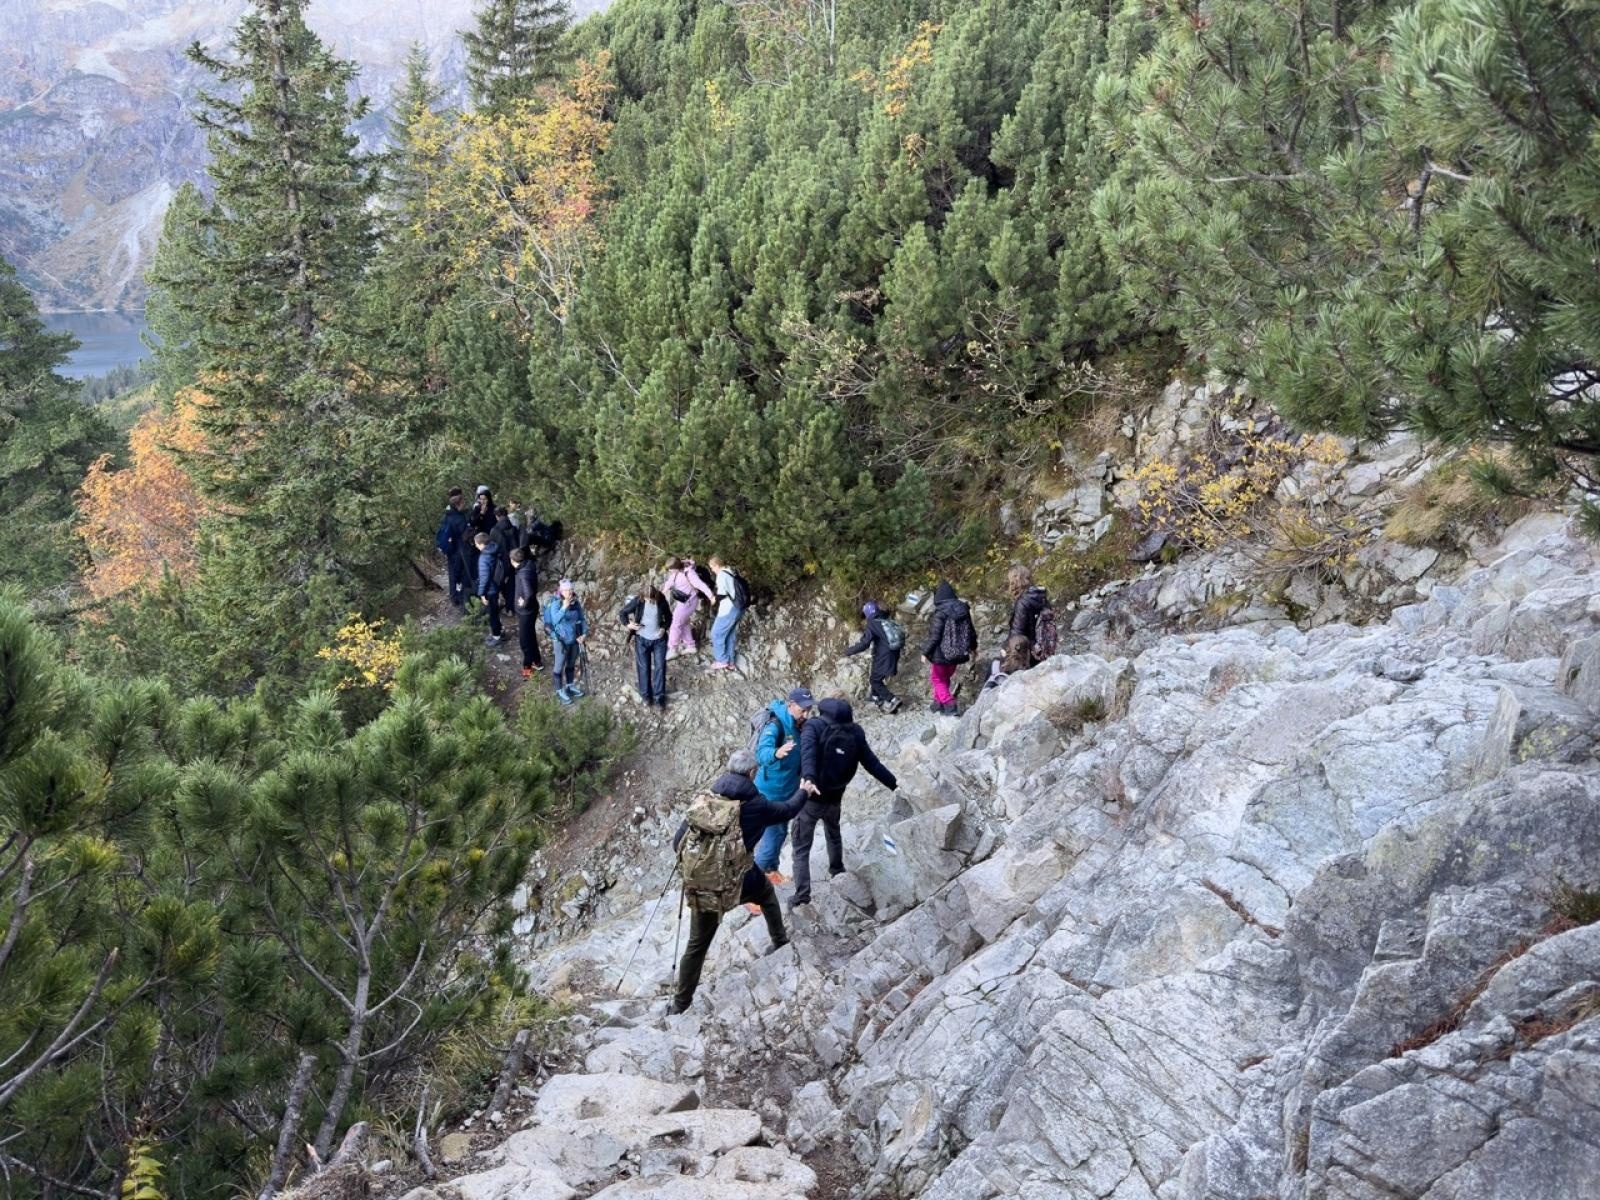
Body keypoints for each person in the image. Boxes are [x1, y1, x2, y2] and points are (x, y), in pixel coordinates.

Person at [670, 750, 808, 1014]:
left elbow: (678, 842)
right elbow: (788, 810)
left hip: (704, 884)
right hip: (740, 878)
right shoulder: (756, 805)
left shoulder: (707, 799)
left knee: (697, 945)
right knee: (767, 894)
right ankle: (779, 941)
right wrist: (804, 790)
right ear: (751, 773)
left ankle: (680, 1005)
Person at [791, 697, 897, 907]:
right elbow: (872, 764)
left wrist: (809, 779)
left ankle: (802, 895)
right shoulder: (855, 732)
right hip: (836, 794)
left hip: (812, 797)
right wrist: (895, 784)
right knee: (833, 832)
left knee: (801, 846)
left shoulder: (814, 726)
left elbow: (808, 754)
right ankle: (837, 870)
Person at [752, 687, 815, 882]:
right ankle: (755, 888)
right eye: (802, 710)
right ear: (791, 705)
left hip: (787, 790)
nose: (805, 714)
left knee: (779, 833)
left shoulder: (799, 724)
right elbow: (760, 754)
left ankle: (771, 871)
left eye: (808, 710)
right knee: (772, 837)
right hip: (771, 792)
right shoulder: (775, 725)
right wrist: (775, 753)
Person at [921, 581, 974, 715]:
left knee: (937, 679)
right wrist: (974, 647)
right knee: (945, 678)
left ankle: (950, 704)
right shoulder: (963, 610)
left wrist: (925, 652)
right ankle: (938, 703)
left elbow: (935, 636)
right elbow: (971, 631)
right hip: (958, 652)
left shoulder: (940, 613)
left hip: (941, 654)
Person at [844, 600, 902, 713]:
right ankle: (875, 696)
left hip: (883, 656)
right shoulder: (885, 619)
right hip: (893, 653)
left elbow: (864, 643)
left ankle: (893, 699)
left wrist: (849, 651)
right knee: (875, 676)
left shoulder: (872, 624)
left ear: (867, 613)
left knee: (875, 681)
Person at [619, 584, 670, 710]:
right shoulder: (638, 600)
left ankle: (659, 698)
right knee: (643, 668)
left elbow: (669, 617)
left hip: (659, 640)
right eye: (647, 599)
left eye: (651, 599)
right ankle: (646, 696)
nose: (649, 601)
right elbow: (623, 613)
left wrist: (663, 628)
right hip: (642, 639)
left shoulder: (662, 601)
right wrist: (628, 625)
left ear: (655, 596)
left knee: (660, 667)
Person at [542, 579, 589, 703]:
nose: (568, 592)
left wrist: (584, 633)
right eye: (566, 590)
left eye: (570, 589)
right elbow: (554, 620)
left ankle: (570, 686)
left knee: (571, 663)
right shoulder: (555, 603)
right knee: (559, 664)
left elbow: (582, 619)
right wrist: (563, 608)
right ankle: (559, 690)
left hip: (574, 638)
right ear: (561, 591)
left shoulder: (575, 603)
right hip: (560, 640)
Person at [662, 556, 717, 660]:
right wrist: (662, 591)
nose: (669, 571)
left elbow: (701, 585)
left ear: (676, 568)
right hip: (683, 601)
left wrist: (711, 596)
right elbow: (670, 581)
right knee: (684, 623)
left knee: (675, 624)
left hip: (689, 602)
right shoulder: (676, 572)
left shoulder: (689, 573)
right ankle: (690, 645)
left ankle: (672, 649)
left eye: (670, 569)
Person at [1008, 564, 1052, 665]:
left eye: (1011, 581)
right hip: (1043, 649)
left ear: (1016, 581)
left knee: (994, 666)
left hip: (1027, 653)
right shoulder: (1041, 596)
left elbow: (1017, 633)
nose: (1010, 584)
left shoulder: (1022, 602)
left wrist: (1005, 650)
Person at [707, 555, 746, 672]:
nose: (712, 570)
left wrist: (714, 599)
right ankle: (730, 662)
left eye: (712, 567)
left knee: (716, 633)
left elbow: (722, 593)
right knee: (729, 634)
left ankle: (722, 660)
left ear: (717, 565)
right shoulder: (731, 571)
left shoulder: (721, 575)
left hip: (728, 609)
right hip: (738, 608)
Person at [511, 546, 544, 678]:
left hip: (526, 612)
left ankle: (527, 667)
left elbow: (529, 593)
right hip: (532, 609)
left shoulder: (523, 573)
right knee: (530, 635)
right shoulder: (528, 566)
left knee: (525, 640)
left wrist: (523, 603)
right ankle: (537, 661)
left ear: (513, 561)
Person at [435, 487, 470, 608]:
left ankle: (454, 596)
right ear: (459, 501)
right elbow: (464, 534)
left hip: (451, 550)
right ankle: (459, 597)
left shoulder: (448, 514)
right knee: (459, 573)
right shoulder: (458, 517)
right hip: (459, 550)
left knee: (453, 573)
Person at [474, 532, 505, 646]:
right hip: (496, 585)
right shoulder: (494, 549)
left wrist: (482, 594)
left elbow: (484, 577)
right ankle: (501, 631)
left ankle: (496, 637)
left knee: (492, 614)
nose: (476, 545)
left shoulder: (483, 557)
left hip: (490, 590)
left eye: (476, 543)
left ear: (482, 543)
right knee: (495, 611)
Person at [492, 506, 519, 613]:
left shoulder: (494, 530)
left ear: (497, 516)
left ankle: (504, 606)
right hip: (515, 559)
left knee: (501, 583)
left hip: (502, 561)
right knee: (512, 584)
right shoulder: (513, 527)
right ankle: (511, 607)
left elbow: (493, 548)